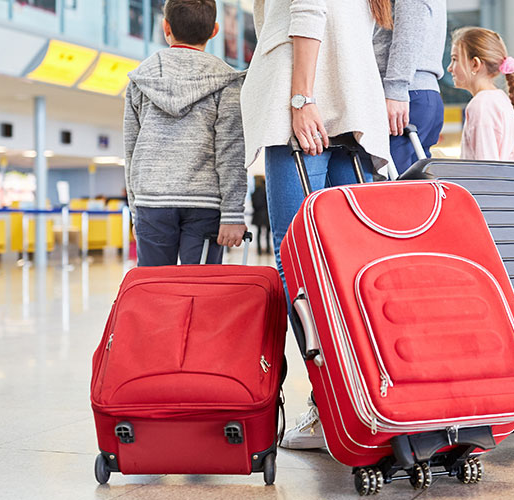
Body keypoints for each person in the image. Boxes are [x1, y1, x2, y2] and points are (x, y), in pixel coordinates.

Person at [241, 0, 394, 451]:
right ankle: (370, 397)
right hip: (354, 111)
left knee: (299, 265)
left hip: (308, 110)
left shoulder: (303, 101)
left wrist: (301, 99)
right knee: (358, 265)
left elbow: (307, 13)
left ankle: (330, 406)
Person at [122, 0, 248, 267]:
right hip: (205, 204)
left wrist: (136, 208)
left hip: (151, 202)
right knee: (201, 293)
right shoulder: (226, 81)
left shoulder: (140, 79)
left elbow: (131, 149)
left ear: (165, 27)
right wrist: (232, 214)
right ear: (215, 31)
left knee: (155, 291)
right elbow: (231, 151)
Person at [373, 0, 447, 174]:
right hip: (421, 90)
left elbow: (410, 30)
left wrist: (396, 89)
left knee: (395, 186)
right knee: (412, 183)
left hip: (405, 93)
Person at [447, 27, 514, 163]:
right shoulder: (501, 100)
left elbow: (485, 170)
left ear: (475, 64)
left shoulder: (481, 104)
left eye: (454, 59)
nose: (450, 68)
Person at [250, 176, 271, 255]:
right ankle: (268, 249)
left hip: (258, 215)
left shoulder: (254, 193)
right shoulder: (266, 191)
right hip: (266, 215)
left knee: (259, 233)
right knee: (267, 234)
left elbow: (255, 205)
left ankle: (259, 250)